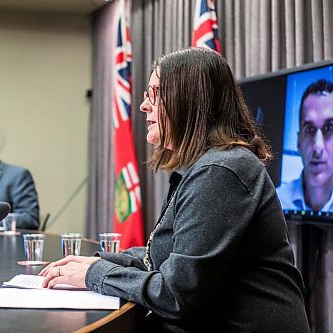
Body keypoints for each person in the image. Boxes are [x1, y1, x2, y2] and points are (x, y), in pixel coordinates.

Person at [40, 48, 309, 332]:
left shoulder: (222, 170)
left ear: (190, 99)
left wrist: (96, 274)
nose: (144, 105)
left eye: (154, 94)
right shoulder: (208, 165)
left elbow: (176, 294)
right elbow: (163, 258)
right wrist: (97, 262)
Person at [276, 79, 333, 212]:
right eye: (309, 130)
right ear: (298, 142)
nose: (317, 147)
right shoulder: (276, 202)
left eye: (329, 128)